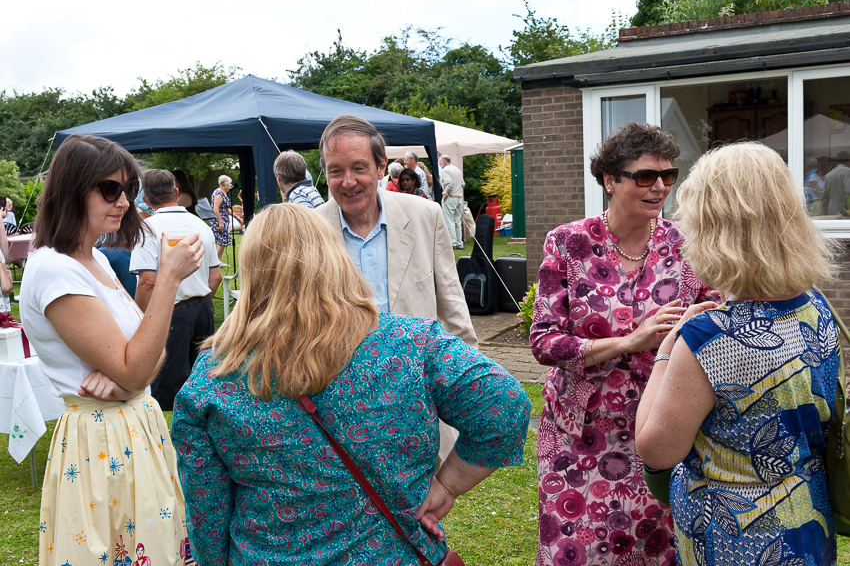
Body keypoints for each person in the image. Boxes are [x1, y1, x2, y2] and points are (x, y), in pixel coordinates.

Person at [171, 203, 531, 565]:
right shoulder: (411, 344)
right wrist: (448, 485)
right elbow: (505, 406)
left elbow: (207, 516)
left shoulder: (214, 375)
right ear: (334, 258)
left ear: (252, 273)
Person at [635, 142, 839, 566]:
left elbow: (656, 451)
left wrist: (667, 352)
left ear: (712, 231)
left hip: (736, 538)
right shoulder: (816, 306)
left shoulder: (708, 337)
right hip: (808, 520)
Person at [531, 121, 717, 566]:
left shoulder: (689, 245)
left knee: (655, 552)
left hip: (661, 430)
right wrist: (628, 341)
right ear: (610, 180)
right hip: (579, 435)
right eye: (646, 176)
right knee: (574, 551)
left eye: (668, 176)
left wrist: (690, 324)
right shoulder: (568, 242)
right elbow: (544, 341)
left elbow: (716, 320)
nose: (660, 187)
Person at [19, 133, 203, 564]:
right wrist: (168, 280)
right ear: (72, 190)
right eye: (109, 189)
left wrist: (127, 377)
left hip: (129, 431)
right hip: (101, 443)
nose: (124, 201)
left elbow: (148, 353)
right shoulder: (55, 270)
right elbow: (139, 363)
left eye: (129, 189)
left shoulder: (94, 260)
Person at [315, 115, 476, 349]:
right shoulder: (309, 230)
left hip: (415, 368)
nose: (348, 181)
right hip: (339, 370)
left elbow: (453, 304)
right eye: (336, 171)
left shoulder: (426, 216)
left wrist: (468, 364)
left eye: (359, 168)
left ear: (381, 167)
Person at [129, 168, 222, 411]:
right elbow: (215, 277)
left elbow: (147, 283)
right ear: (176, 192)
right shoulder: (200, 224)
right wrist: (199, 302)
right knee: (202, 379)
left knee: (168, 387)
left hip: (170, 312)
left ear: (145, 199)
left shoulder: (147, 228)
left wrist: (140, 319)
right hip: (203, 308)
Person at [439, 155, 464, 249]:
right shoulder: (457, 169)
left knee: (449, 221)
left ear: (444, 162)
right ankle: (459, 243)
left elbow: (450, 184)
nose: (439, 164)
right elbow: (463, 184)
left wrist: (445, 195)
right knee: (457, 221)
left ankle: (453, 243)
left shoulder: (445, 170)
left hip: (450, 197)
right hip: (459, 198)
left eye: (440, 162)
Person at [210, 174, 233, 264]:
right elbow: (215, 209)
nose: (231, 185)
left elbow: (226, 208)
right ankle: (217, 261)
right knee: (223, 240)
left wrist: (237, 217)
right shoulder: (219, 194)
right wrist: (220, 222)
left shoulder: (224, 193)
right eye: (230, 183)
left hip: (223, 218)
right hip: (218, 219)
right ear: (225, 184)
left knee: (224, 239)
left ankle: (218, 260)